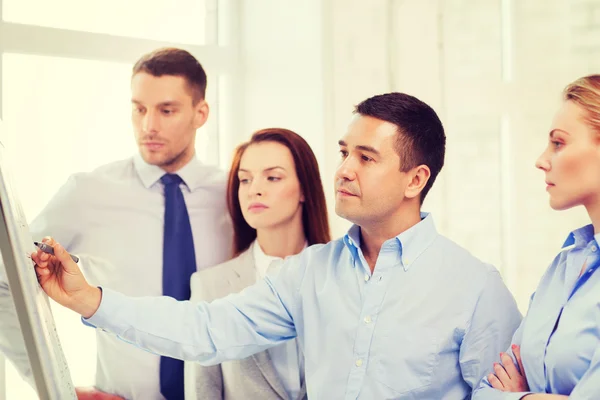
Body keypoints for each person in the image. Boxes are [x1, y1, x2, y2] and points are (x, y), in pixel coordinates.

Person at [32, 92, 523, 399]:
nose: (344, 170)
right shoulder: (309, 272)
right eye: (344, 153)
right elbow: (206, 329)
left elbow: (500, 394)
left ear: (415, 179)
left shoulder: (475, 289)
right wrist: (90, 300)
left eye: (366, 157)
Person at [1, 47, 232, 400]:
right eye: (139, 109)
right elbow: (7, 280)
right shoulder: (88, 192)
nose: (148, 126)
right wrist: (53, 384)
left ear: (201, 113)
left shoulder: (235, 195)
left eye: (166, 110)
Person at [473, 75, 600, 399]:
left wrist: (519, 395)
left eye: (559, 143)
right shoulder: (565, 264)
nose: (541, 160)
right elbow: (485, 392)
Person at [184, 128, 330, 400]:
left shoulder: (342, 277)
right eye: (245, 180)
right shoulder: (211, 286)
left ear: (304, 190)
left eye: (273, 177)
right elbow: (202, 392)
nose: (255, 190)